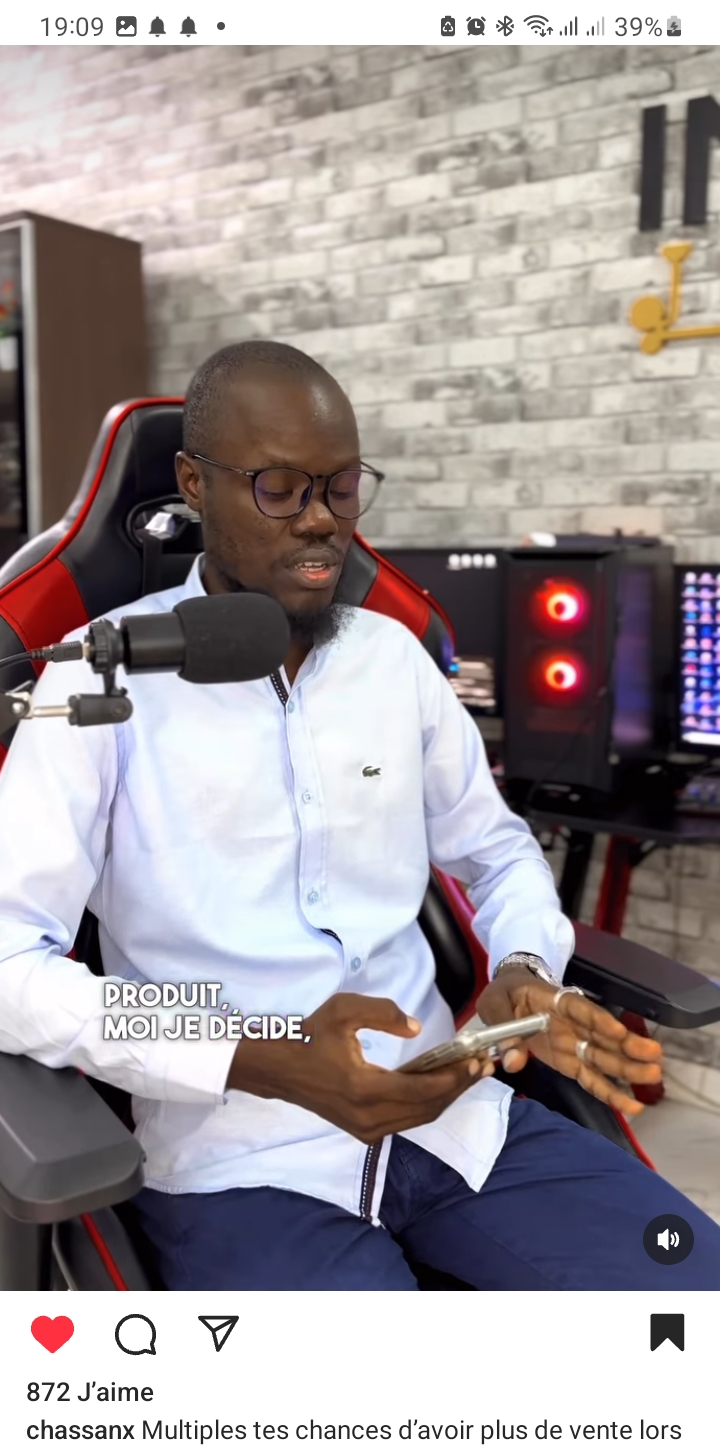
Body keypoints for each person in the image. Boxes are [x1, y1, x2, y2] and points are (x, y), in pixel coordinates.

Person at [0, 339, 718, 1291]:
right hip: (241, 1158)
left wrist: (522, 969)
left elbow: (497, 851)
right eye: (280, 488)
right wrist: (256, 1055)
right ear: (194, 484)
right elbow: (11, 965)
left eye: (341, 488)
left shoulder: (393, 661)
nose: (321, 522)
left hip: (456, 1120)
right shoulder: (99, 678)